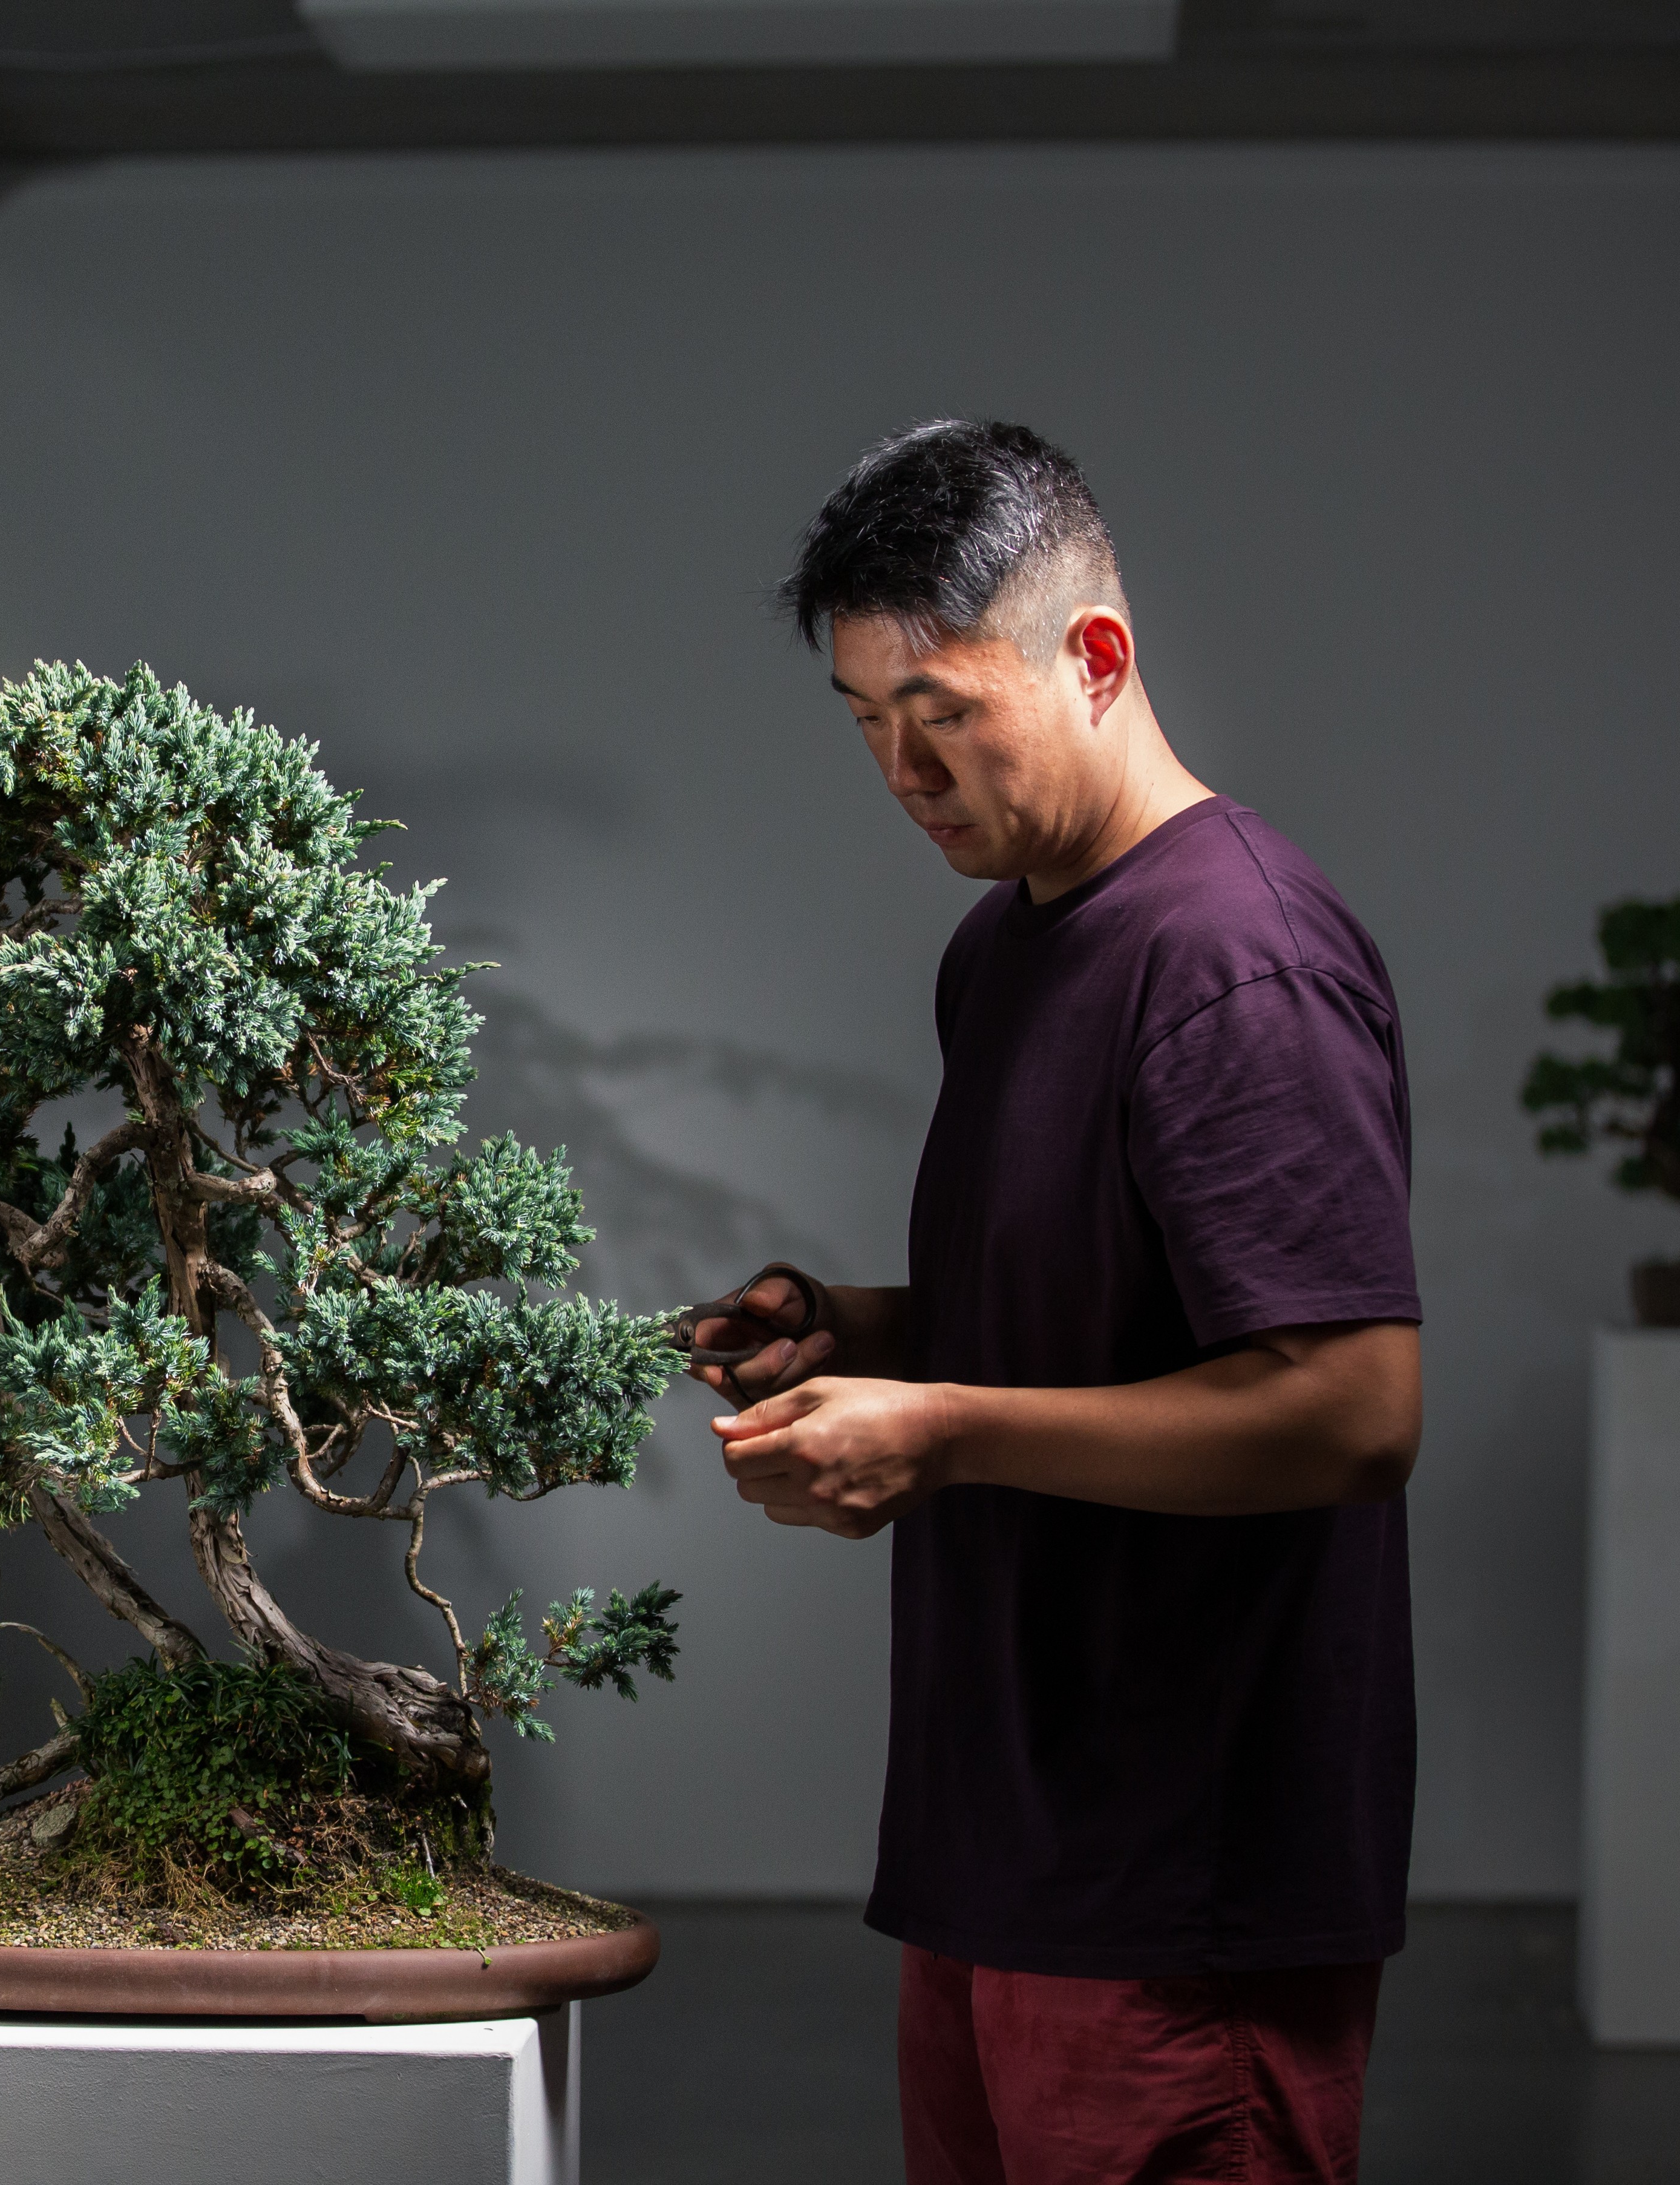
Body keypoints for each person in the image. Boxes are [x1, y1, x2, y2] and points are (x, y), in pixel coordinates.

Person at [693, 421, 1423, 2185]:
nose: (902, 768)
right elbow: (1101, 1311)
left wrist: (938, 1431)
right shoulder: (1010, 938)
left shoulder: (1234, 956)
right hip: (1004, 1846)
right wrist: (861, 1331)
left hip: (1178, 1883)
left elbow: (1351, 1404)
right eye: (866, 720)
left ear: (1094, 658)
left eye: (941, 709)